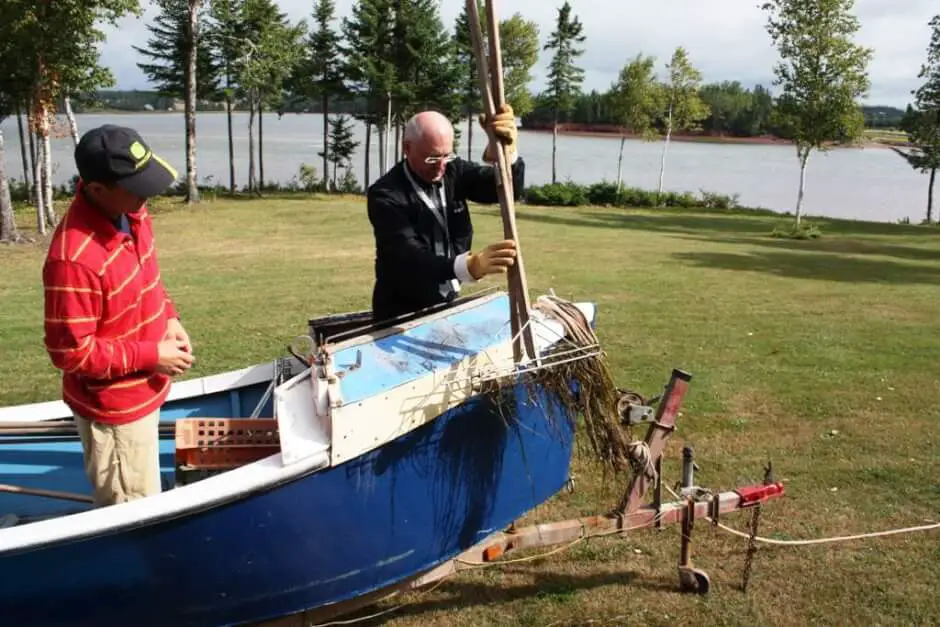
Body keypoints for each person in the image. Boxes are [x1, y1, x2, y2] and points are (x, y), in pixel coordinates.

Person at [42, 124, 194, 507]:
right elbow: (71, 354)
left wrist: (169, 317)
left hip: (145, 394)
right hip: (116, 414)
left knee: (147, 494)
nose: (148, 194)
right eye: (137, 186)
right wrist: (152, 355)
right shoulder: (73, 260)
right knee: (134, 511)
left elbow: (147, 275)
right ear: (96, 190)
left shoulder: (133, 213)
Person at [366, 104, 526, 322]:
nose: (440, 166)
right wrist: (470, 266)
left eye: (446, 156)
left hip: (447, 303)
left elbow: (506, 190)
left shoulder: (453, 170)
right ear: (407, 148)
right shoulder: (386, 195)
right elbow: (408, 256)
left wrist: (508, 153)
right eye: (431, 158)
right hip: (400, 312)